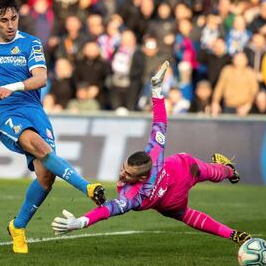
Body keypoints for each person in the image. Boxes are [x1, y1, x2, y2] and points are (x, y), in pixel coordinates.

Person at [0, 0, 106, 254]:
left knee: (45, 177)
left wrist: (12, 86)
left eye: (13, 18)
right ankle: (88, 188)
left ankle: (17, 226)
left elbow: (41, 78)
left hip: (34, 110)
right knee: (40, 148)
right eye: (4, 20)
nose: (10, 25)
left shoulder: (31, 43)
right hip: (5, 113)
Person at [51, 61, 252, 247]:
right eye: (124, 169)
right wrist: (156, 90)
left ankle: (229, 170)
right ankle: (232, 234)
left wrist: (81, 222)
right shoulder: (151, 155)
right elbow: (160, 123)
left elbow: (108, 210)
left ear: (142, 177)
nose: (122, 175)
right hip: (170, 200)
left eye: (128, 175)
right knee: (186, 214)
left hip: (184, 170)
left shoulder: (135, 194)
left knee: (218, 173)